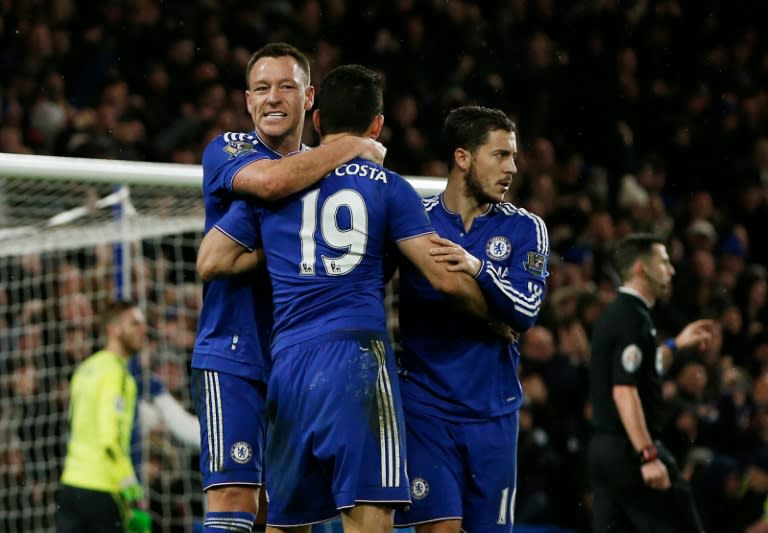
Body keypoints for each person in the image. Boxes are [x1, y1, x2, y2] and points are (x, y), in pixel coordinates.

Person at [197, 64, 495, 533]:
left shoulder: (278, 183)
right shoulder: (390, 187)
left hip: (289, 364)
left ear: (317, 119)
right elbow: (442, 276)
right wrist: (496, 313)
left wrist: (283, 251)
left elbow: (212, 260)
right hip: (357, 359)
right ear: (377, 126)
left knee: (284, 522)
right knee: (369, 516)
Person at [190, 42, 386, 533]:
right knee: (234, 496)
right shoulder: (229, 150)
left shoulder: (334, 180)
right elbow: (270, 188)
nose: (272, 98)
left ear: (309, 98)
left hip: (300, 359)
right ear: (247, 100)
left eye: (285, 87)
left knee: (289, 510)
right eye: (261, 88)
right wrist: (351, 145)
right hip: (233, 353)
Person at [391, 105, 551, 533]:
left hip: (493, 414)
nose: (512, 168)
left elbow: (526, 312)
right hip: (425, 407)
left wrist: (478, 267)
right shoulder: (414, 219)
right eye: (500, 155)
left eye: (513, 157)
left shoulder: (526, 229)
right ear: (463, 158)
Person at [587, 233, 715, 533]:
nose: (671, 270)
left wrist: (675, 345)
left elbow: (642, 367)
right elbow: (624, 390)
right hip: (630, 450)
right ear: (641, 269)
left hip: (604, 450)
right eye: (664, 262)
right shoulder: (633, 318)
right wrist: (648, 455)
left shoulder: (617, 314)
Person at [55, 300, 151, 533]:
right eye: (135, 323)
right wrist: (132, 490)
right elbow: (110, 439)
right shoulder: (118, 374)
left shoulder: (85, 368)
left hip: (71, 486)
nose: (143, 329)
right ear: (113, 329)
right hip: (101, 489)